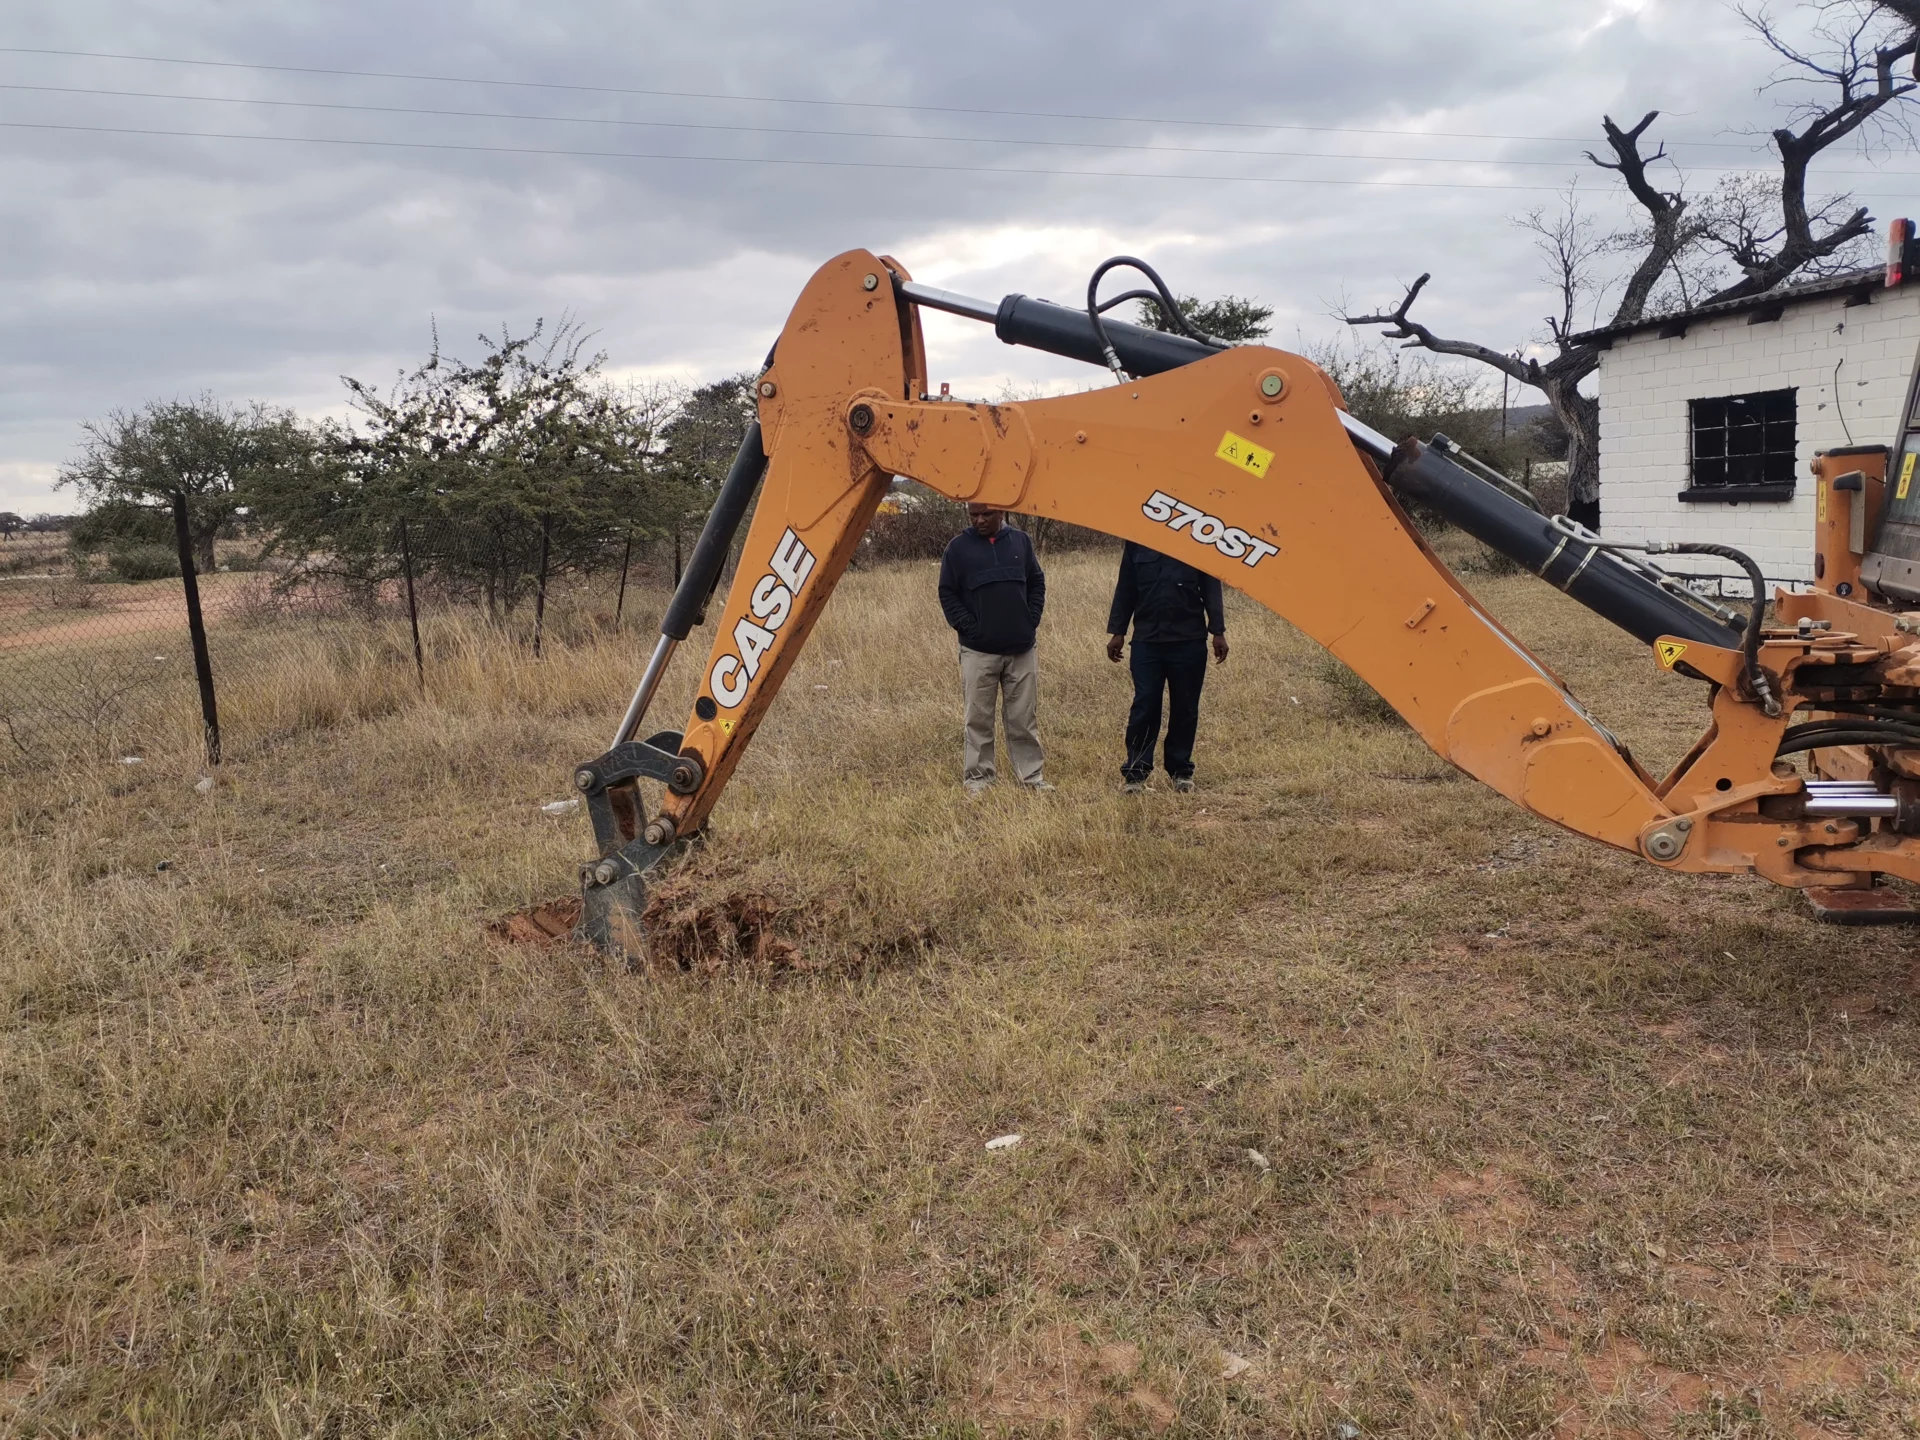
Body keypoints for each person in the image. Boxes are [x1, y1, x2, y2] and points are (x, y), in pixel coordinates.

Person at [938, 503, 1052, 794]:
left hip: (1021, 649)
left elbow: (1037, 581)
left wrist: (1031, 619)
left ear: (1001, 512)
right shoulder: (958, 549)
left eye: (986, 514)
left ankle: (1031, 779)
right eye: (973, 515)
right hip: (978, 652)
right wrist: (969, 628)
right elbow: (947, 593)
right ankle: (979, 781)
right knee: (978, 719)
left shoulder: (1021, 542)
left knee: (1023, 718)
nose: (979, 520)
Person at [1106, 540, 1228, 793]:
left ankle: (1181, 772)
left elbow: (1211, 587)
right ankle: (1136, 774)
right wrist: (1118, 631)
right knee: (1144, 705)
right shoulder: (1136, 542)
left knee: (1185, 707)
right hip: (1146, 641)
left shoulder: (1197, 539)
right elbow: (1126, 587)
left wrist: (1218, 631)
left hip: (1189, 640)